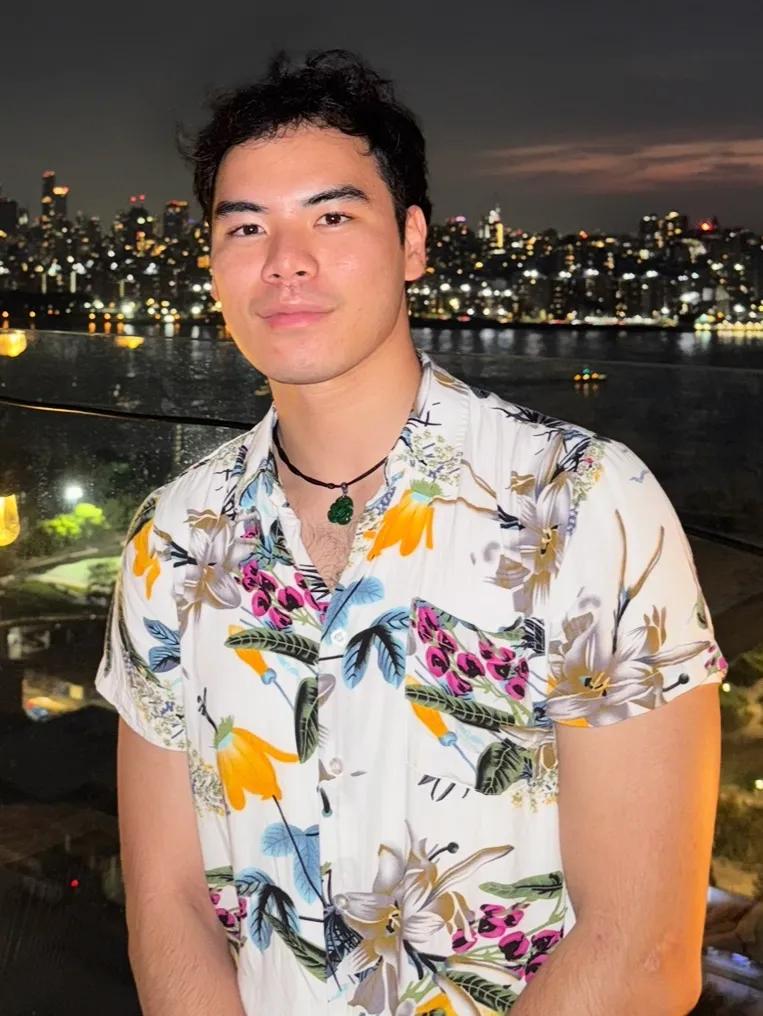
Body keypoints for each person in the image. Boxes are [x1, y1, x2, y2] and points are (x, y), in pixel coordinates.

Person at [95, 47, 725, 1016]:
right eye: (246, 226)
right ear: (213, 261)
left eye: (332, 216)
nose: (284, 260)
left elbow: (640, 951)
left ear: (414, 240)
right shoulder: (172, 537)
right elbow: (168, 909)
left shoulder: (580, 502)